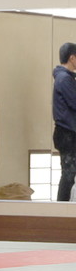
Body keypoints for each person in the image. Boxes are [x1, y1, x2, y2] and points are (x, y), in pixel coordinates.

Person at [53, 42, 76, 201]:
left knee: (69, 174)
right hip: (67, 133)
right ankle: (61, 209)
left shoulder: (66, 78)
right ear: (72, 58)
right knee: (68, 174)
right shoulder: (64, 78)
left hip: (67, 132)